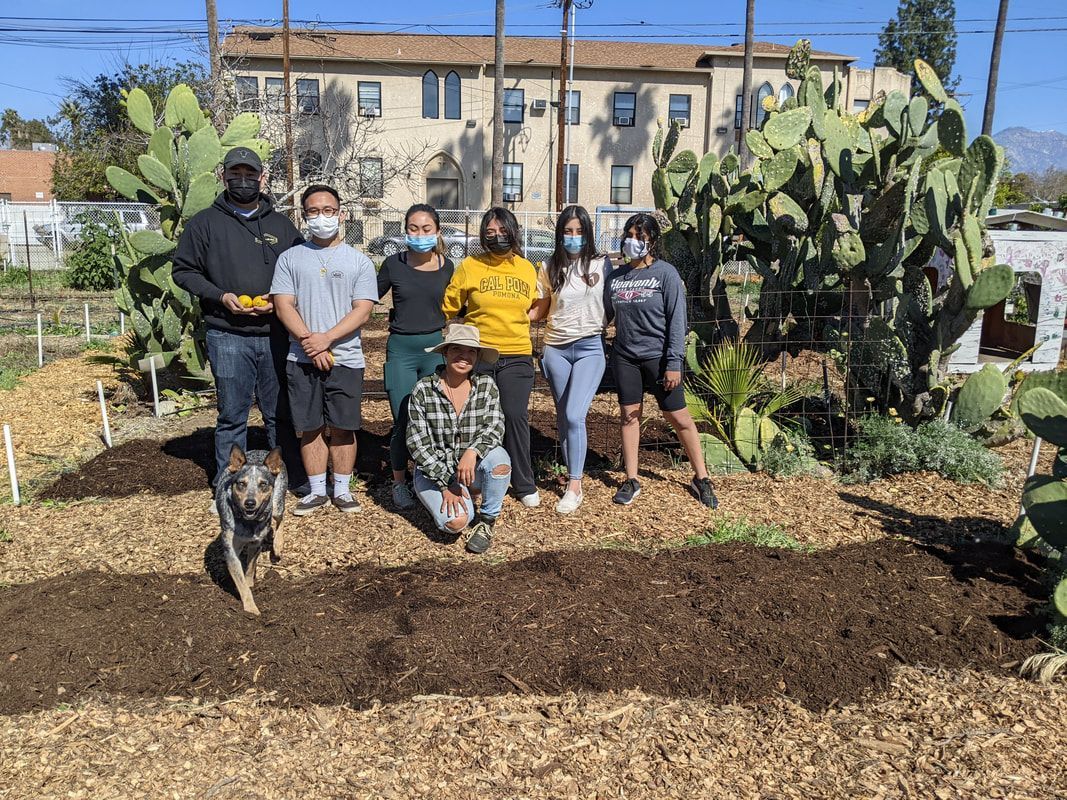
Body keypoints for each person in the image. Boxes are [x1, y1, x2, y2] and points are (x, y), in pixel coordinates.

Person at [172, 145, 308, 499]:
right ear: (224, 176)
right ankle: (227, 482)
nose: (244, 181)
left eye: (251, 175)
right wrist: (220, 296)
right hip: (227, 334)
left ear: (262, 178)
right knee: (232, 415)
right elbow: (183, 271)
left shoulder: (281, 224)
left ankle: (284, 479)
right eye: (236, 174)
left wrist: (279, 300)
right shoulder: (204, 223)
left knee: (279, 414)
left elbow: (301, 270)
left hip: (276, 334)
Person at [270, 184, 378, 515]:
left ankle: (342, 490)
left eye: (328, 210)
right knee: (310, 426)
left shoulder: (359, 261)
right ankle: (317, 490)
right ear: (304, 216)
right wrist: (309, 341)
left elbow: (363, 309)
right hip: (300, 358)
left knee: (344, 426)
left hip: (345, 358)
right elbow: (283, 304)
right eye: (314, 211)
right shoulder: (290, 258)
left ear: (341, 214)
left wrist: (326, 339)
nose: (322, 217)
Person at [605, 212, 718, 509]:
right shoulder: (616, 277)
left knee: (679, 417)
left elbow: (677, 321)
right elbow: (605, 314)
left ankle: (701, 478)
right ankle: (631, 478)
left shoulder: (665, 273)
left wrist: (674, 362)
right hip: (625, 357)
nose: (633, 241)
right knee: (630, 416)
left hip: (658, 357)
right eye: (629, 235)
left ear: (652, 241)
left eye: (640, 237)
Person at [442, 207, 541, 507]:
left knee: (514, 415)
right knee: (477, 417)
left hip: (517, 354)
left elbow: (535, 306)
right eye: (490, 233)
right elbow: (449, 306)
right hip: (479, 355)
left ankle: (523, 483)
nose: (497, 237)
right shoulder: (470, 266)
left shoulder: (526, 268)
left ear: (514, 231)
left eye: (503, 231)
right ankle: (477, 481)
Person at [529, 205, 610, 514]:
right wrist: (510, 314)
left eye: (579, 231)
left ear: (587, 233)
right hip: (555, 351)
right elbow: (541, 309)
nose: (574, 237)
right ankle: (569, 472)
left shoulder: (602, 265)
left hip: (590, 348)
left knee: (576, 415)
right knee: (563, 418)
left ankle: (575, 485)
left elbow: (613, 303)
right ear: (560, 234)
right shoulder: (549, 266)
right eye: (568, 231)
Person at [406, 323, 512, 554]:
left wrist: (472, 452)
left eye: (471, 351)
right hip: (434, 470)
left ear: (478, 356)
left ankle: (487, 520)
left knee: (500, 461)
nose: (464, 357)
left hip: (470, 464)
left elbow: (495, 426)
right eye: (457, 350)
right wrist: (446, 483)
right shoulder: (424, 390)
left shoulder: (485, 385)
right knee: (455, 523)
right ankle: (445, 494)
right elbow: (417, 443)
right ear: (445, 352)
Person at [377, 204, 455, 510]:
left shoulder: (448, 267)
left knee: (435, 420)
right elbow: (366, 299)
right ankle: (400, 482)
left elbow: (458, 307)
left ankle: (432, 478)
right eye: (413, 228)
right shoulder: (392, 264)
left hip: (435, 349)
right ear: (405, 230)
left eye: (426, 229)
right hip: (401, 351)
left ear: (437, 232)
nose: (420, 234)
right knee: (402, 419)